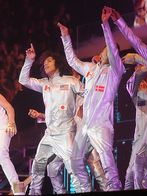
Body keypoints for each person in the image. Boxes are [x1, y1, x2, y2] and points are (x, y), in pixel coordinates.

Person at [58, 6, 124, 191]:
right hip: (85, 124)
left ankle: (114, 188)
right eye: (105, 50)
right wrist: (66, 37)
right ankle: (85, 189)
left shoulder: (115, 72)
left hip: (101, 124)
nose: (107, 52)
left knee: (106, 159)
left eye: (111, 51)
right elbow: (72, 61)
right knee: (76, 160)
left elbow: (112, 46)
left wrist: (105, 25)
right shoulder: (90, 68)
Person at [19, 44, 84, 194]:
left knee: (73, 169)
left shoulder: (71, 81)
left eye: (49, 60)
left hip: (66, 132)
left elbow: (88, 96)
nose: (45, 64)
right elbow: (23, 80)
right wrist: (29, 60)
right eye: (43, 63)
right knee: (39, 167)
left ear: (57, 62)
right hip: (49, 135)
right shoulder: (44, 83)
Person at [110, 7, 147, 189]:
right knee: (136, 167)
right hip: (144, 132)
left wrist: (138, 59)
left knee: (144, 166)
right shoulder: (140, 76)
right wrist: (119, 20)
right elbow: (135, 42)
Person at [122, 53, 147, 189]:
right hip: (139, 137)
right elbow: (140, 74)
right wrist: (140, 59)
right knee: (130, 174)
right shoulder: (134, 86)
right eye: (137, 66)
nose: (139, 68)